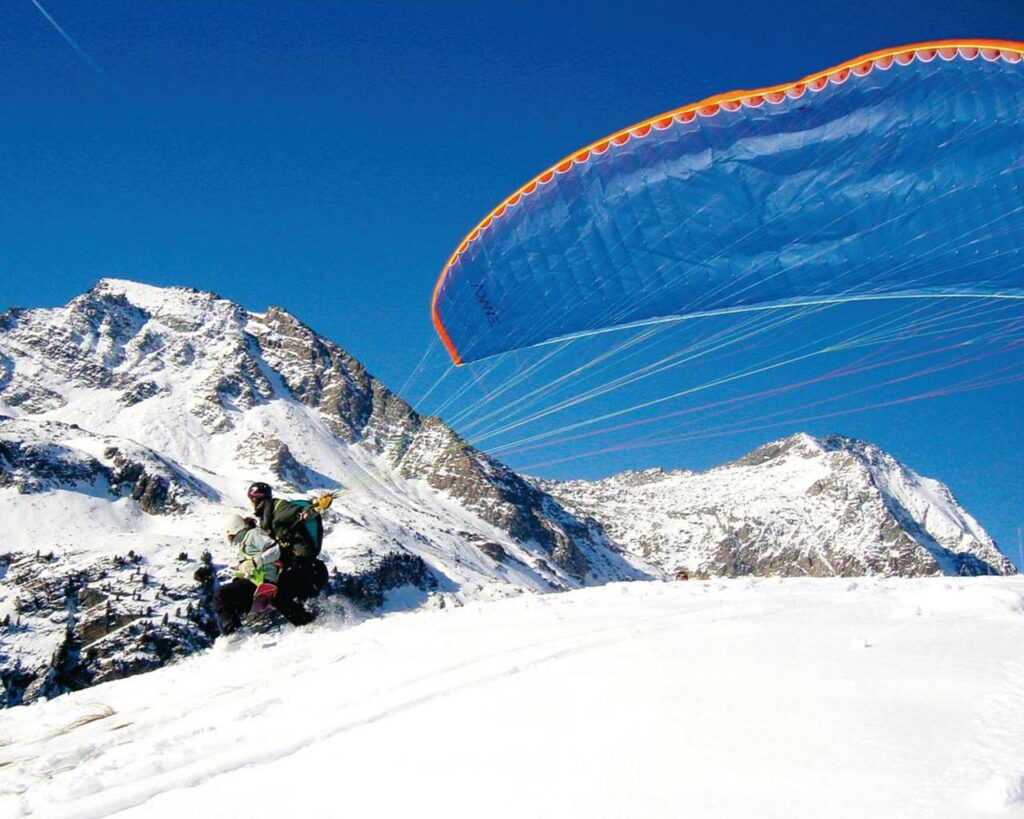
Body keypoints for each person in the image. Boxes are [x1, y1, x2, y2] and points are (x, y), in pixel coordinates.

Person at [212, 512, 313, 636]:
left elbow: (275, 550)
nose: (228, 539)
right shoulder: (244, 544)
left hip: (263, 581)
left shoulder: (253, 534)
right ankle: (308, 624)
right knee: (278, 600)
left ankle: (235, 633)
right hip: (256, 582)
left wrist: (255, 562)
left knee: (221, 595)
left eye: (228, 535)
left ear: (233, 529)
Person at [247, 482, 330, 619]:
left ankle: (308, 625)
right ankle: (311, 622)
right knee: (285, 597)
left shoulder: (279, 510)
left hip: (302, 562)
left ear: (254, 499)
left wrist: (317, 507)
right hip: (297, 563)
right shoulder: (267, 515)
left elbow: (301, 514)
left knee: (280, 597)